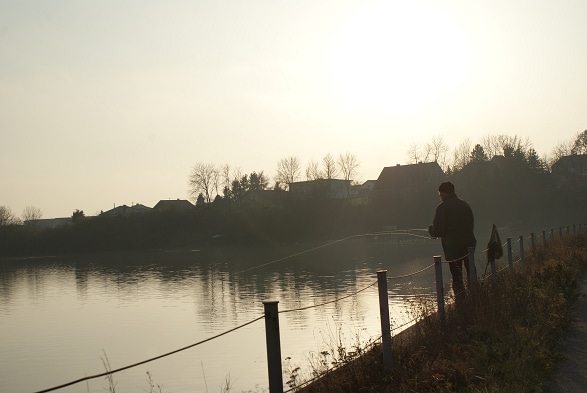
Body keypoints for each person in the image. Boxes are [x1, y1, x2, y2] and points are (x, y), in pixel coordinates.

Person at [428, 181, 476, 301]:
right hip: (469, 244)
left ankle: (461, 302)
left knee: (457, 276)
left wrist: (430, 230)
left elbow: (438, 230)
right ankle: (476, 296)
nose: (439, 196)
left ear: (444, 192)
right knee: (471, 272)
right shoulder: (465, 205)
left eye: (440, 193)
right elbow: (471, 223)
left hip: (453, 247)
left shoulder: (442, 208)